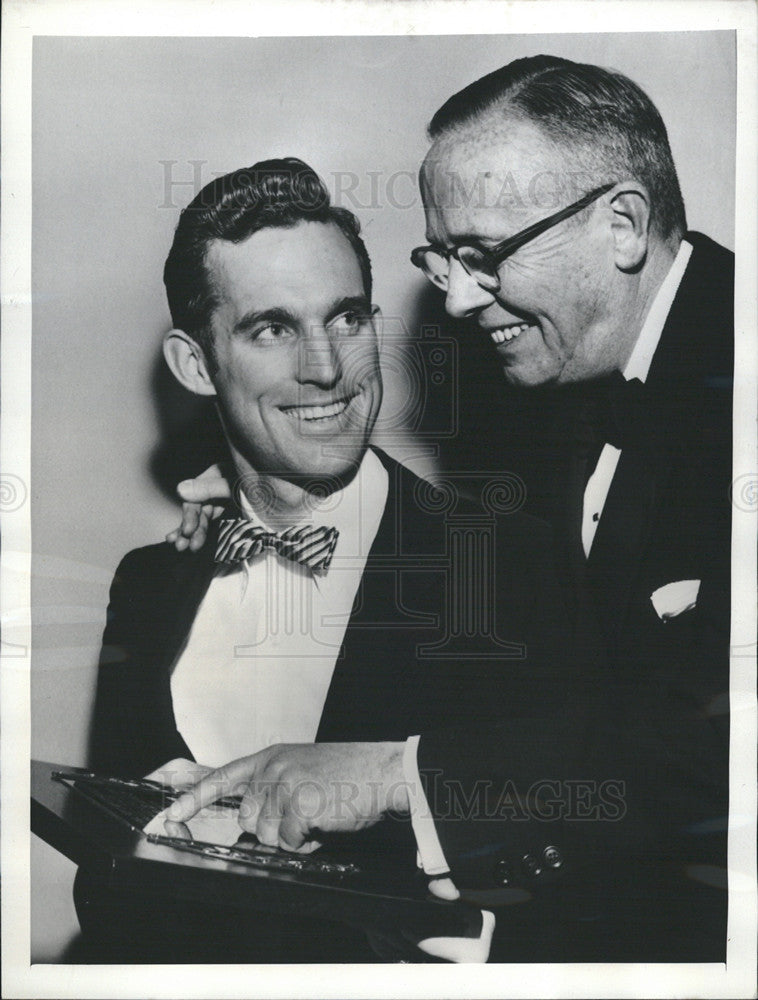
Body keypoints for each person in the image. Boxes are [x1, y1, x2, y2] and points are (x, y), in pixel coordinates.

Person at [170, 56, 732, 963]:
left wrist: (397, 775)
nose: (460, 300)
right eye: (441, 261)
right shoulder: (562, 401)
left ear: (623, 223)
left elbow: (720, 742)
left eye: (484, 257)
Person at [75, 156, 580, 963]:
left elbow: (578, 872)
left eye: (346, 318)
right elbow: (105, 878)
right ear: (196, 364)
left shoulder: (511, 564)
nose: (326, 367)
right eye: (272, 329)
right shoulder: (150, 583)